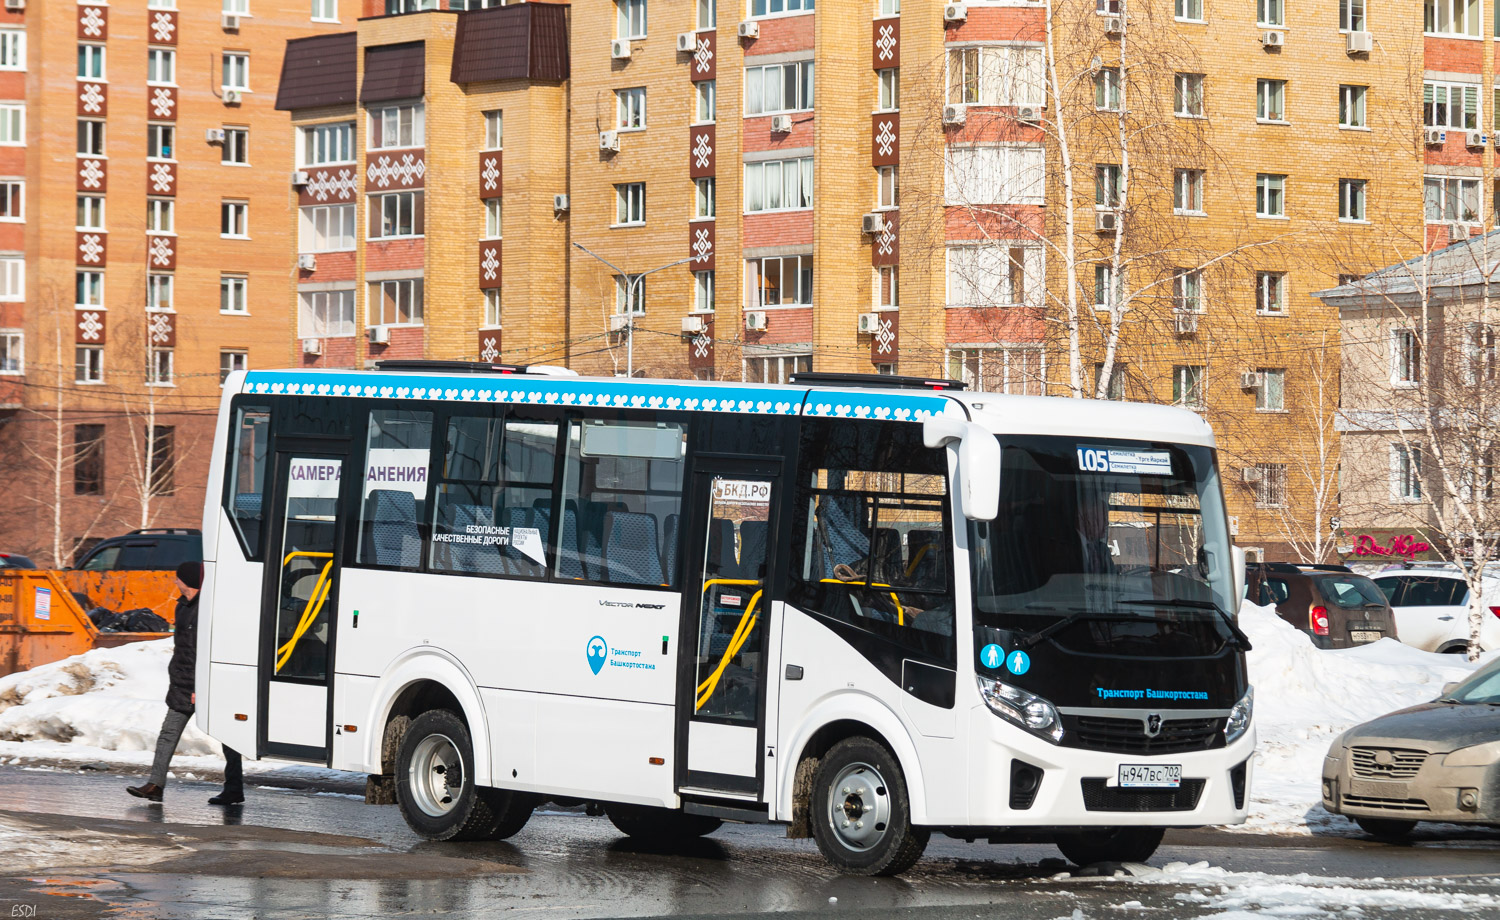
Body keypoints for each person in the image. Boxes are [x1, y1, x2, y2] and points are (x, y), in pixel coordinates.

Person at [127, 562, 244, 806]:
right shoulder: (182, 606)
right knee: (168, 734)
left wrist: (199, 688)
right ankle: (155, 785)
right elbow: (185, 648)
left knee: (228, 738)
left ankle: (234, 789)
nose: (175, 582)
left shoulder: (210, 608)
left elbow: (205, 652)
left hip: (204, 685)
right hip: (182, 682)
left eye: (178, 578)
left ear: (188, 580)